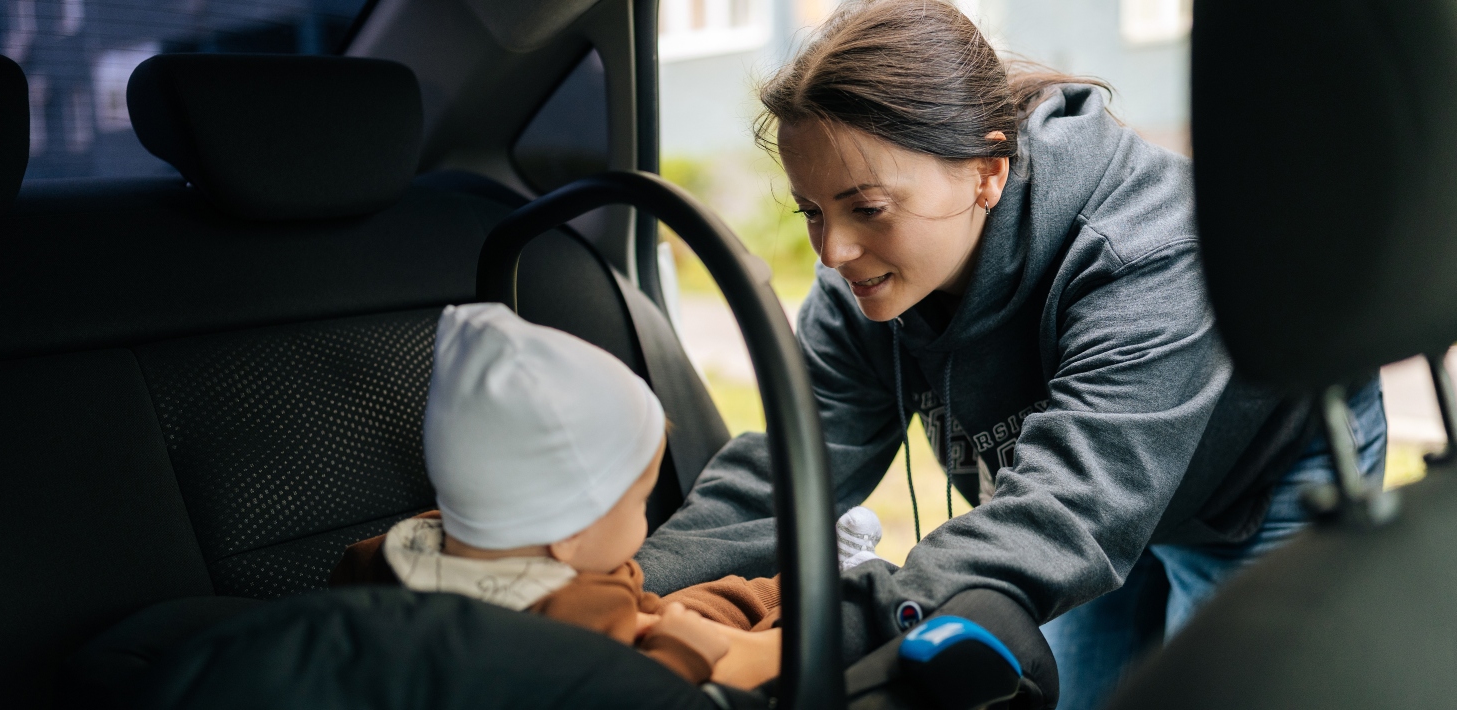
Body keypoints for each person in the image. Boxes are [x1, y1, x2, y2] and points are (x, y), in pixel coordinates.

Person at [633, 1, 1387, 708]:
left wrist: (841, 626)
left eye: (867, 209)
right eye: (811, 211)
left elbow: (1066, 509)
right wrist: (620, 597)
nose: (832, 251)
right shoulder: (858, 291)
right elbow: (784, 476)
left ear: (988, 172)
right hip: (1083, 495)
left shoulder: (1150, 251)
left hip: (1259, 479)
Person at [330, 303, 785, 689]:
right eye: (638, 502)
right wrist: (681, 654)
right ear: (568, 533)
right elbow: (623, 701)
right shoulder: (578, 615)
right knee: (744, 626)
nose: (643, 518)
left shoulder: (385, 555)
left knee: (699, 604)